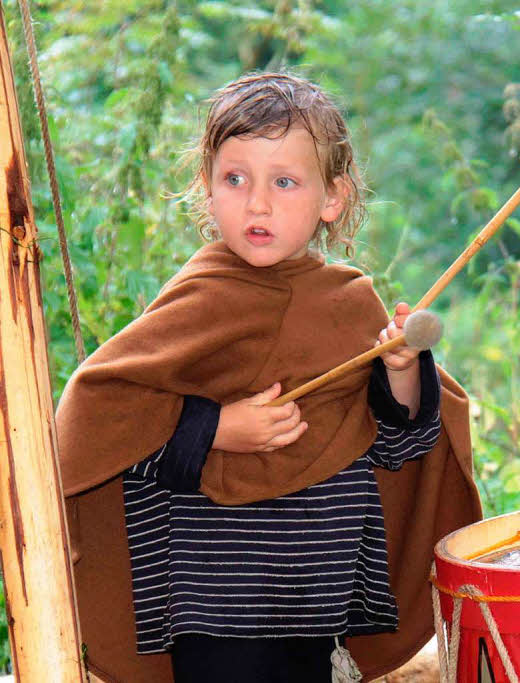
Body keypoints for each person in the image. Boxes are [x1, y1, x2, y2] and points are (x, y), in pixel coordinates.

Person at [56, 72, 481, 683]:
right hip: (214, 602)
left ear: (331, 199)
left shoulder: (349, 305)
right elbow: (103, 425)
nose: (258, 203)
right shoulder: (201, 300)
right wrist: (215, 427)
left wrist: (403, 375)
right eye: (235, 179)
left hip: (317, 594)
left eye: (284, 182)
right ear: (206, 190)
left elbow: (398, 447)